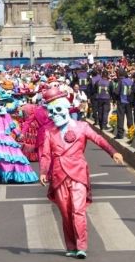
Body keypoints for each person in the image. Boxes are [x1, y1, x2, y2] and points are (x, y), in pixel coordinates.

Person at [39, 88, 124, 259]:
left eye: (58, 110)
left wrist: (112, 152)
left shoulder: (82, 126)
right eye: (51, 111)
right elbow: (45, 154)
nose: (54, 115)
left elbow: (99, 139)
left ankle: (81, 246)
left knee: (78, 210)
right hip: (58, 175)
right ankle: (71, 246)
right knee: (65, 212)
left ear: (67, 109)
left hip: (78, 173)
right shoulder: (48, 130)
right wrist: (43, 171)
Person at [113, 71, 134, 139]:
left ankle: (120, 134)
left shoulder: (120, 81)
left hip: (122, 101)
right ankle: (131, 133)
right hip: (129, 102)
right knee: (130, 117)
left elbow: (116, 92)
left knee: (120, 118)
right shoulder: (131, 81)